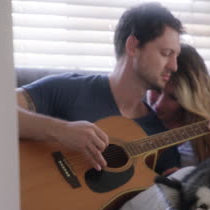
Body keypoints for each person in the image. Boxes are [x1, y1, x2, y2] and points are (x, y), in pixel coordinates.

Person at [17, 2, 183, 174]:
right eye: (166, 53)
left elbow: (175, 195)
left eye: (176, 56)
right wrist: (60, 131)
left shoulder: (159, 136)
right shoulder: (69, 88)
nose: (174, 66)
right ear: (133, 46)